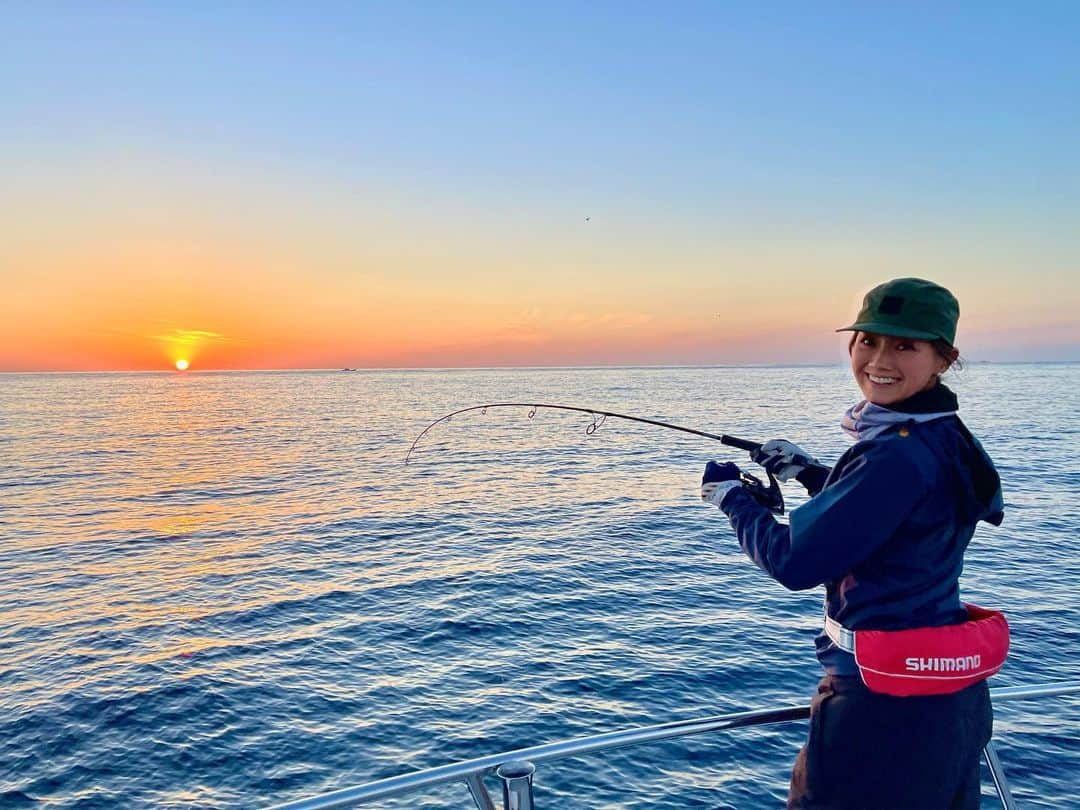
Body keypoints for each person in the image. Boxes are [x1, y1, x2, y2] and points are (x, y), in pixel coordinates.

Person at [701, 278, 1008, 809]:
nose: (879, 359)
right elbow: (896, 512)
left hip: (881, 714)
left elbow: (793, 563)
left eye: (905, 345)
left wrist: (731, 498)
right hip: (949, 704)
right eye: (868, 340)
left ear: (944, 358)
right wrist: (808, 473)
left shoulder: (892, 453)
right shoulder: (946, 436)